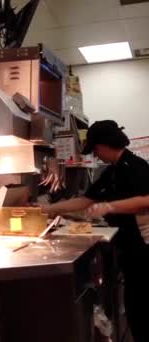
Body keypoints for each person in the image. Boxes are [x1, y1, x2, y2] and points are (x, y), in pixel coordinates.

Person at [42, 120, 149, 342]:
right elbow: (85, 200)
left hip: (143, 248)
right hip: (129, 248)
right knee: (134, 306)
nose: (97, 155)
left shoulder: (135, 166)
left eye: (96, 149)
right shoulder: (112, 172)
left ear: (106, 144)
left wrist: (110, 206)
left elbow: (146, 200)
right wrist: (49, 209)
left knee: (140, 309)